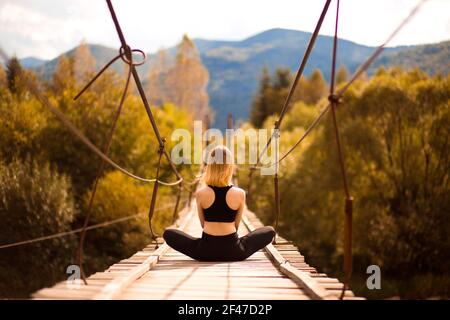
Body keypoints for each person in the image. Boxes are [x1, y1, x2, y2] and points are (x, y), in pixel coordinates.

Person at [163, 145, 275, 261]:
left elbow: (203, 225)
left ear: (209, 167)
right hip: (234, 251)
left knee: (168, 234)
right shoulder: (240, 193)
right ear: (230, 167)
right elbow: (236, 226)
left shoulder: (201, 193)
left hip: (205, 251)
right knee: (269, 231)